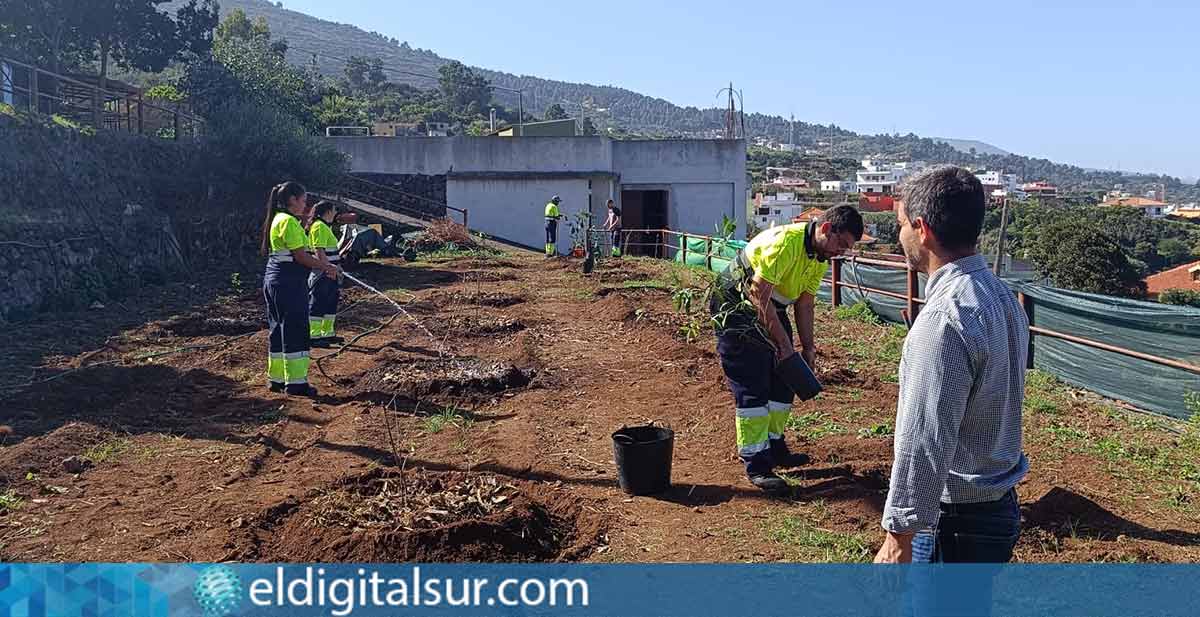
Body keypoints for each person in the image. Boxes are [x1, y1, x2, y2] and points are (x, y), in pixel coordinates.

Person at [873, 165, 1029, 564]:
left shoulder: (944, 319)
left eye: (901, 224)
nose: (899, 235)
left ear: (922, 229)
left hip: (952, 521)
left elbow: (924, 438)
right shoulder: (1001, 297)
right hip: (997, 505)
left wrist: (899, 535)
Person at [710, 206, 864, 493]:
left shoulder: (819, 256)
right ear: (827, 229)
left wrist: (806, 350)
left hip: (770, 303)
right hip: (737, 305)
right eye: (841, 244)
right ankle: (757, 463)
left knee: (786, 376)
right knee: (753, 380)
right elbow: (758, 293)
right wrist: (783, 344)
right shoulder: (786, 244)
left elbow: (804, 303)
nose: (840, 252)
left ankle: (775, 446)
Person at [260, 182, 338, 397]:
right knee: (295, 329)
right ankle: (296, 383)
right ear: (292, 199)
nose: (305, 205)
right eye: (303, 200)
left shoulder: (278, 219)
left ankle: (276, 379)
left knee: (278, 329)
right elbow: (301, 256)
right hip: (289, 283)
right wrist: (326, 266)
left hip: (275, 280)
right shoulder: (289, 222)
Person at [307, 200, 343, 348]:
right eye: (334, 210)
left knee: (330, 302)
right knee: (318, 302)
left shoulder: (324, 227)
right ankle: (313, 336)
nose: (335, 213)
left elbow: (332, 251)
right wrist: (327, 267)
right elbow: (319, 250)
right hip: (323, 272)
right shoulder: (319, 227)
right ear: (328, 211)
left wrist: (338, 267)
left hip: (331, 271)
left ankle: (327, 332)